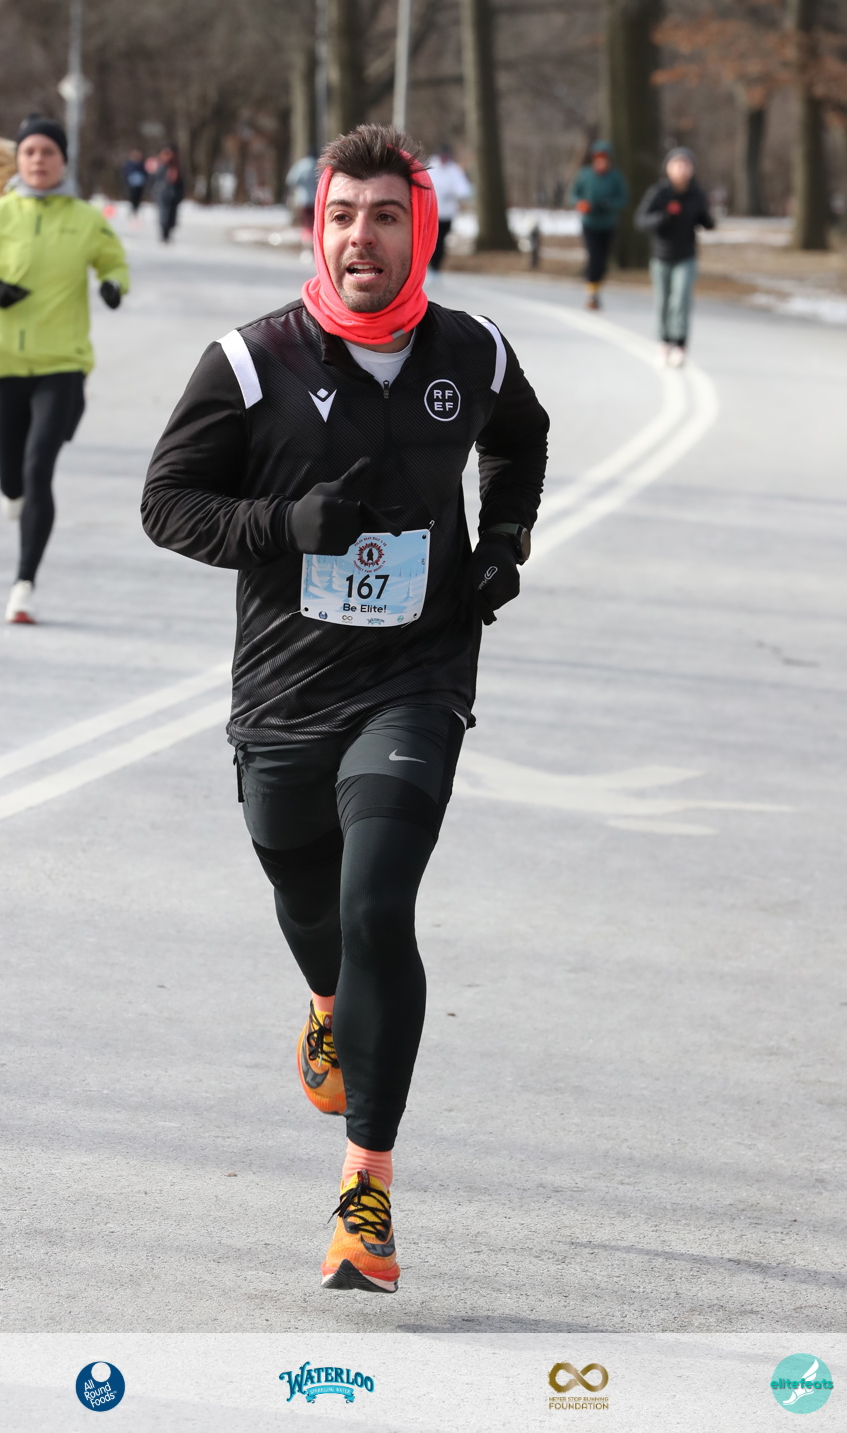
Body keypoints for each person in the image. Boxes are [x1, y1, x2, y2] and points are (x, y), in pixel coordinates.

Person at [141, 123, 549, 1293]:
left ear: (420, 230)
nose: (359, 237)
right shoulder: (251, 361)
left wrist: (503, 542)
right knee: (305, 892)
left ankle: (365, 1189)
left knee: (377, 907)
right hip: (283, 689)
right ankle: (327, 1003)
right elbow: (167, 503)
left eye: (383, 216)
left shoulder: (471, 352)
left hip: (416, 677)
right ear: (315, 227)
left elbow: (519, 441)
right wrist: (283, 526)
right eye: (340, 216)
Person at [0, 115, 129, 623]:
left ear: (63, 160)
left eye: (48, 152)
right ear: (18, 160)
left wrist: (113, 285)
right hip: (4, 362)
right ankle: (11, 490)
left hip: (62, 365)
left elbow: (113, 261)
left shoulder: (85, 219)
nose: (39, 160)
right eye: (30, 152)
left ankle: (23, 585)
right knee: (4, 455)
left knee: (38, 468)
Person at [635, 147, 715, 366]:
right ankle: (664, 342)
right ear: (668, 168)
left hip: (686, 256)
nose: (681, 169)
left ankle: (680, 344)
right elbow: (641, 220)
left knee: (681, 300)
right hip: (661, 256)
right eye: (677, 165)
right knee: (663, 301)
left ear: (692, 169)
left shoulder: (696, 194)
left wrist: (707, 220)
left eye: (686, 165)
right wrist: (662, 218)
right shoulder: (659, 193)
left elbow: (705, 220)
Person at [569, 140, 629, 310]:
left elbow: (623, 198)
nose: (601, 162)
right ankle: (592, 295)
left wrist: (609, 204)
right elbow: (573, 195)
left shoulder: (615, 176)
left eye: (604, 159)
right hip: (590, 223)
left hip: (608, 224)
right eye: (598, 159)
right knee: (594, 257)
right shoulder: (585, 174)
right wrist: (581, 204)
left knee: (602, 261)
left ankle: (597, 287)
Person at [426, 144, 473, 273]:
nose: (444, 159)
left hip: (446, 214)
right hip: (430, 213)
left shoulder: (454, 171)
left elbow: (464, 190)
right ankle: (425, 266)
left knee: (440, 241)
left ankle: (435, 268)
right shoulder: (430, 168)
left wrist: (453, 192)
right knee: (428, 241)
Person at [150, 145, 185, 243]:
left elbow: (181, 182)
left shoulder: (176, 166)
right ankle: (164, 233)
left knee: (172, 215)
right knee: (164, 214)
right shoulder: (159, 165)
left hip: (174, 194)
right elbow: (153, 179)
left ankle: (168, 232)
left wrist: (180, 194)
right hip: (163, 194)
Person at [122, 148, 148, 216]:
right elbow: (125, 173)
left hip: (140, 184)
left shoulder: (142, 164)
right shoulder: (129, 164)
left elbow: (145, 173)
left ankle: (136, 210)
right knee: (132, 197)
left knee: (138, 198)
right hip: (131, 184)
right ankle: (133, 210)